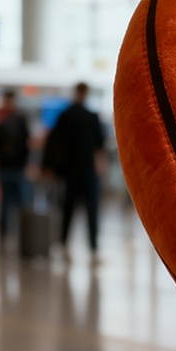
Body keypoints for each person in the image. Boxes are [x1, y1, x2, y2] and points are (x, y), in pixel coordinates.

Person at [43, 82, 106, 260]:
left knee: (69, 209)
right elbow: (99, 147)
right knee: (89, 210)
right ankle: (92, 249)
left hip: (72, 171)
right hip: (86, 171)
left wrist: (50, 167)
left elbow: (53, 143)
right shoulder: (90, 116)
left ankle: (65, 245)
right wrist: (99, 166)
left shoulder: (66, 115)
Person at [0, 89, 30, 242]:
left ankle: (18, 232)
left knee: (16, 202)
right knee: (7, 202)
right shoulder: (3, 120)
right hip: (7, 167)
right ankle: (6, 232)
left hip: (15, 167)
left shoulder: (9, 120)